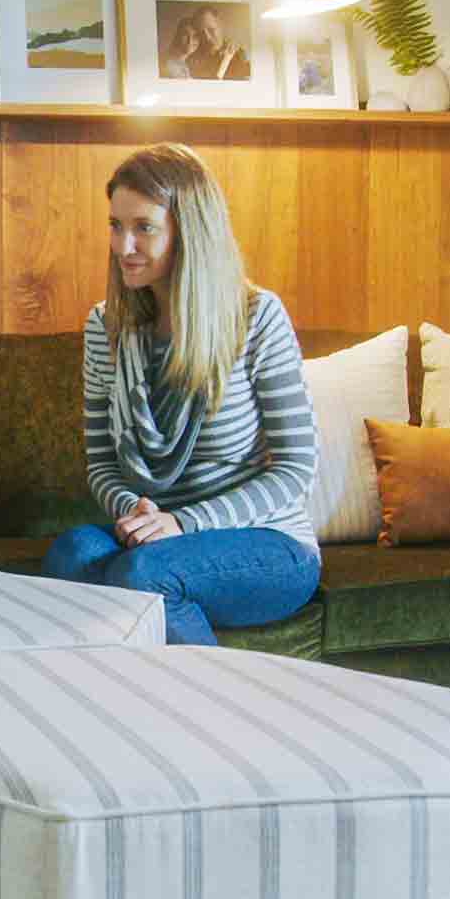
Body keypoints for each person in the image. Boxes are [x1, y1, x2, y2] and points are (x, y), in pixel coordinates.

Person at [42, 143, 319, 646]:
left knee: (144, 574)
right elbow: (102, 463)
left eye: (143, 227)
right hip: (156, 535)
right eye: (115, 225)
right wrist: (137, 515)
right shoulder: (106, 325)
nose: (123, 246)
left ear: (189, 232)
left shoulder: (256, 317)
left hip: (269, 543)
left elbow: (296, 470)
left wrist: (183, 523)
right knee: (73, 552)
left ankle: (215, 717)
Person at [186, 7, 250, 80]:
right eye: (201, 33)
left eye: (211, 30)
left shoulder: (240, 54)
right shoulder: (192, 59)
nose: (207, 38)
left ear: (220, 24)